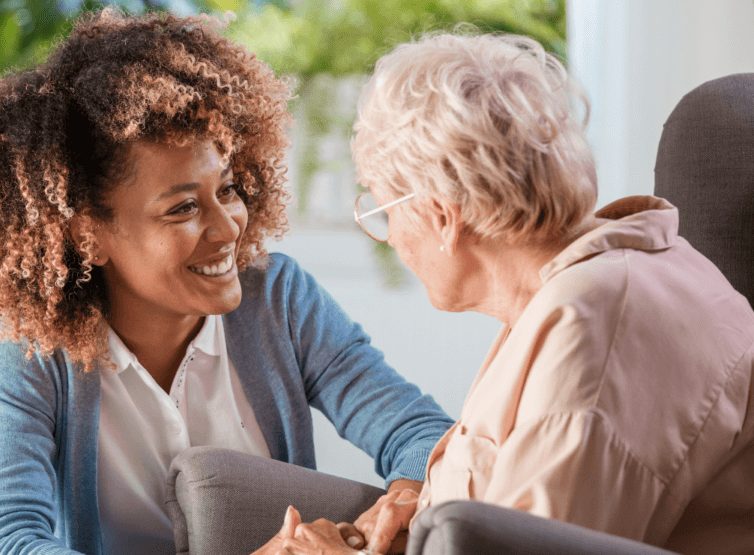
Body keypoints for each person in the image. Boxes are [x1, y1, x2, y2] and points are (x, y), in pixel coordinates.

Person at [0, 9, 454, 555]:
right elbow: (3, 539)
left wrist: (398, 506)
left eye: (229, 189)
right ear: (89, 234)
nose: (227, 225)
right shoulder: (26, 344)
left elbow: (422, 433)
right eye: (183, 207)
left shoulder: (278, 300)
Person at [270, 30, 754, 554]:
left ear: (441, 217)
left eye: (384, 210)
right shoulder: (586, 285)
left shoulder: (590, 332)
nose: (390, 236)